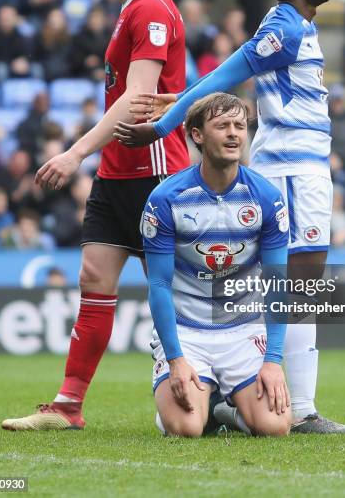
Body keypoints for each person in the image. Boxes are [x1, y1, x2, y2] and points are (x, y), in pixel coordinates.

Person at [115, 0, 345, 433]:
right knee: (296, 285)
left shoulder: (298, 26)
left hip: (305, 166)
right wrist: (168, 124)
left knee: (294, 285)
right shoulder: (285, 27)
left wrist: (178, 102)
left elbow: (225, 75)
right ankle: (298, 406)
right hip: (290, 169)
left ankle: (237, 388)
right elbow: (229, 73)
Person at [1, 0, 190, 431]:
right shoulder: (130, 10)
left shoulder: (152, 9)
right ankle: (68, 406)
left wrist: (74, 152)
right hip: (117, 173)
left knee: (174, 290)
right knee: (93, 277)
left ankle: (208, 381)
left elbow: (137, 99)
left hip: (155, 172)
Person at [145, 93, 291, 437]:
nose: (233, 134)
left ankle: (227, 411)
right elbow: (159, 285)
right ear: (197, 134)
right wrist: (176, 357)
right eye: (222, 125)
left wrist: (273, 360)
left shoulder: (267, 197)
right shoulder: (166, 199)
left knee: (275, 427)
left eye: (240, 125)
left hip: (243, 327)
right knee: (185, 429)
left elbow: (277, 283)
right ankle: (196, 406)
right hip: (187, 329)